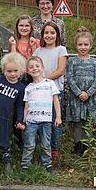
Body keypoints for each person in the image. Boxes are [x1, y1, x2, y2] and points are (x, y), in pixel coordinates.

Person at [19, 56, 62, 172]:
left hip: (46, 121)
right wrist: (23, 121)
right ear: (28, 71)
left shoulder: (50, 83)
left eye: (37, 66)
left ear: (42, 68)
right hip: (31, 121)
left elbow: (56, 100)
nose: (35, 69)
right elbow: (26, 106)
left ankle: (47, 164)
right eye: (31, 67)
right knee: (29, 145)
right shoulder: (28, 88)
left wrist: (58, 116)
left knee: (45, 144)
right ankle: (25, 165)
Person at [34, 21, 68, 164]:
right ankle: (42, 151)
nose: (49, 35)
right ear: (42, 35)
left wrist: (44, 80)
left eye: (52, 33)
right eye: (46, 33)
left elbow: (60, 71)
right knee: (41, 122)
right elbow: (33, 68)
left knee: (56, 122)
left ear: (57, 35)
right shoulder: (38, 51)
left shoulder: (61, 50)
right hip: (40, 93)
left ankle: (55, 152)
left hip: (55, 92)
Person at [65, 27, 96, 156]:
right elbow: (69, 78)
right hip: (76, 98)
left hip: (90, 99)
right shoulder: (72, 61)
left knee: (88, 121)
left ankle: (87, 147)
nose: (83, 47)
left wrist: (88, 93)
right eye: (80, 44)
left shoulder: (95, 62)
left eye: (86, 44)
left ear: (90, 45)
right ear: (76, 45)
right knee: (78, 122)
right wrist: (79, 93)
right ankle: (77, 146)